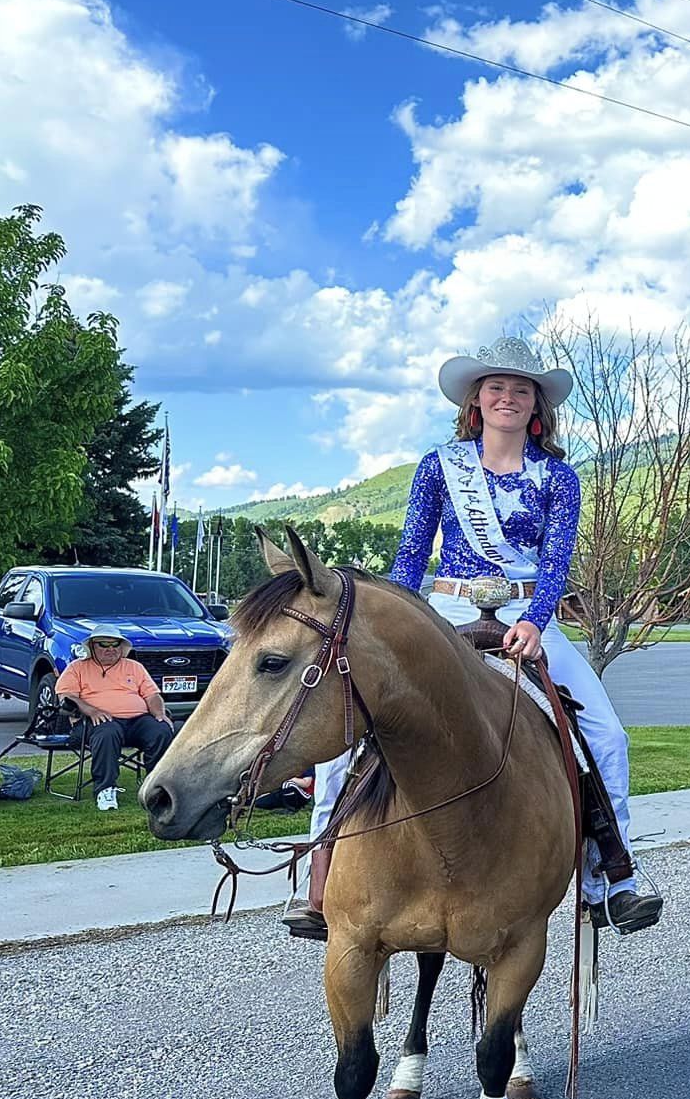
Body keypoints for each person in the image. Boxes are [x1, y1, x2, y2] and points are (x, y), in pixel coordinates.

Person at [283, 337, 663, 939]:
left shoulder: (558, 477)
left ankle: (609, 877)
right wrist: (394, 619)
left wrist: (536, 622)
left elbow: (557, 560)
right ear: (476, 402)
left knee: (608, 736)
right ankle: (320, 880)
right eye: (496, 388)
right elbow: (411, 550)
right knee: (354, 722)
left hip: (526, 610)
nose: (507, 397)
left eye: (520, 389)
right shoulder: (440, 467)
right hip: (444, 606)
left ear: (536, 404)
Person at [55, 625, 176, 810]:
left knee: (161, 729)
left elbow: (152, 695)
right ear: (92, 647)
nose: (110, 649)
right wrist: (92, 710)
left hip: (137, 720)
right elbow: (66, 696)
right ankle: (105, 789)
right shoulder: (77, 668)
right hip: (94, 722)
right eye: (104, 644)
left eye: (115, 644)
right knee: (107, 732)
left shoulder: (135, 667)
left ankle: (156, 787)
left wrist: (159, 713)